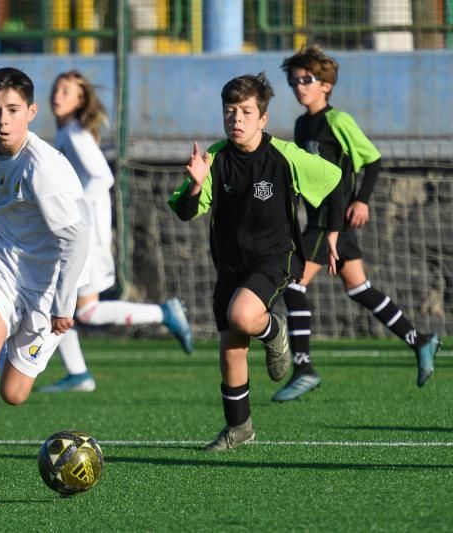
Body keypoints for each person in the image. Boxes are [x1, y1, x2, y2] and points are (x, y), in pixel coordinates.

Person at [168, 73, 342, 451]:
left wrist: (331, 230)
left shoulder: (284, 155)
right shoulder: (213, 159)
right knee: (232, 345)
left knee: (244, 317)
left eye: (246, 112)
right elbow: (184, 211)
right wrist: (196, 183)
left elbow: (334, 179)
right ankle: (239, 428)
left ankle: (275, 330)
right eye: (230, 112)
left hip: (275, 258)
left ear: (263, 119)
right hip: (231, 266)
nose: (237, 119)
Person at [0, 67, 90, 493]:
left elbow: (77, 237)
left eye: (12, 110)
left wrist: (65, 303)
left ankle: (33, 340)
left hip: (47, 286)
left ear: (31, 112)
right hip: (3, 268)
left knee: (14, 393)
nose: (2, 119)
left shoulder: (42, 166)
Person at [272, 45, 441, 402]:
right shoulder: (303, 125)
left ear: (326, 85)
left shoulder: (338, 121)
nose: (300, 87)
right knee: (359, 289)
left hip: (329, 224)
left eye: (307, 80)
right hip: (323, 221)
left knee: (293, 286)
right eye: (294, 82)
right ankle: (420, 340)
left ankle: (303, 367)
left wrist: (360, 201)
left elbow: (373, 160)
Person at [40, 70, 193, 393]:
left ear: (81, 100)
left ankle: (79, 372)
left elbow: (102, 178)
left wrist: (73, 206)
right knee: (81, 309)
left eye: (67, 91)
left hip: (85, 236)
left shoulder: (75, 134)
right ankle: (159, 315)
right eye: (56, 89)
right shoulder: (68, 132)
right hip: (83, 233)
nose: (58, 95)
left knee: (63, 302)